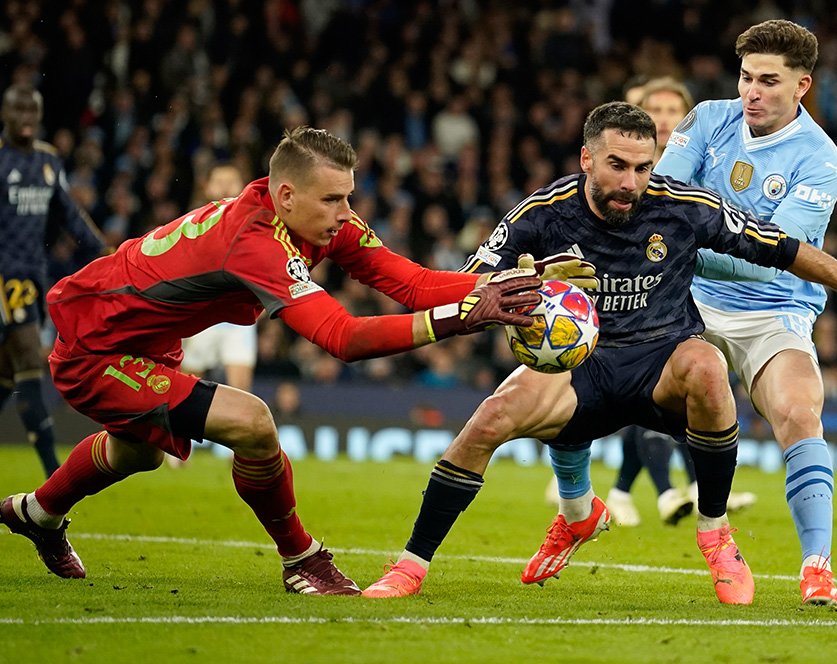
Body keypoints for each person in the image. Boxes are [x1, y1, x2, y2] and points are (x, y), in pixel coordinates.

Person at [362, 101, 837, 604]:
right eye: (618, 166)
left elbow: (785, 249)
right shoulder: (543, 212)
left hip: (660, 363)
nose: (632, 182)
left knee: (707, 364)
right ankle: (411, 565)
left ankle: (715, 533)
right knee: (489, 418)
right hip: (584, 367)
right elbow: (467, 285)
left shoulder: (682, 207)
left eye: (643, 168)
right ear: (587, 158)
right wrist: (523, 279)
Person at [0, 126, 550, 596]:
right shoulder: (257, 242)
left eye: (348, 197)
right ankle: (301, 558)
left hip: (145, 340)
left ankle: (37, 514)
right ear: (286, 196)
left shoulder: (317, 221)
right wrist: (467, 316)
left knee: (137, 453)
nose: (346, 214)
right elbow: (344, 337)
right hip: (97, 347)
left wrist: (512, 283)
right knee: (253, 422)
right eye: (332, 200)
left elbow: (413, 283)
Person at [653, 19, 837, 605]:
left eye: (768, 81)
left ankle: (817, 564)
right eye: (745, 78)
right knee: (580, 363)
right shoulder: (707, 121)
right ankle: (574, 504)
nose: (751, 93)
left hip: (773, 310)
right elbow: (659, 207)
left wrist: (688, 245)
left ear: (802, 86)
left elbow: (771, 259)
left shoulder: (821, 160)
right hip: (689, 300)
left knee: (797, 412)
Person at [605, 77, 756, 528]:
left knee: (693, 389)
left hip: (702, 288)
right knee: (651, 386)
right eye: (657, 110)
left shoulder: (706, 161)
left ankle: (636, 488)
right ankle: (670, 489)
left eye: (676, 111)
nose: (666, 119)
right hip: (643, 290)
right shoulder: (629, 175)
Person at [0, 83, 107, 478]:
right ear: (5, 115)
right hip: (3, 276)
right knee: (30, 358)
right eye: (18, 110)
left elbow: (69, 214)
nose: (26, 118)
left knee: (7, 374)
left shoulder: (47, 161)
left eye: (32, 111)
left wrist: (104, 253)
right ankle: (55, 476)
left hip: (31, 276)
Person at [180, 163, 258, 396]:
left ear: (243, 187)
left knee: (241, 392)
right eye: (219, 180)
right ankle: (183, 432)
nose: (225, 186)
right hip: (202, 315)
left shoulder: (256, 224)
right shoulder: (192, 223)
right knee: (186, 387)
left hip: (237, 320)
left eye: (231, 180)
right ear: (207, 188)